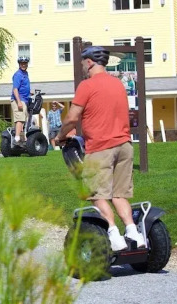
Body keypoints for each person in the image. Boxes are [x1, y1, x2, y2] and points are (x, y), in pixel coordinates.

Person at [55, 46, 145, 251]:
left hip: (101, 147)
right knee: (119, 194)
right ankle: (133, 232)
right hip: (125, 146)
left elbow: (72, 118)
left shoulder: (87, 86)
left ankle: (114, 235)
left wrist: (60, 136)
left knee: (97, 195)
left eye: (83, 64)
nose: (83, 68)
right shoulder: (118, 84)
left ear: (89, 62)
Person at [11, 56, 30, 146]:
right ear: (19, 64)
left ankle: (22, 138)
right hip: (19, 99)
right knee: (20, 118)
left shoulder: (25, 73)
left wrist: (30, 92)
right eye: (22, 63)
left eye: (25, 63)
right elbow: (15, 89)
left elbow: (23, 87)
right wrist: (18, 101)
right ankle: (17, 139)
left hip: (24, 99)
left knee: (23, 119)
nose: (23, 64)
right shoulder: (18, 74)